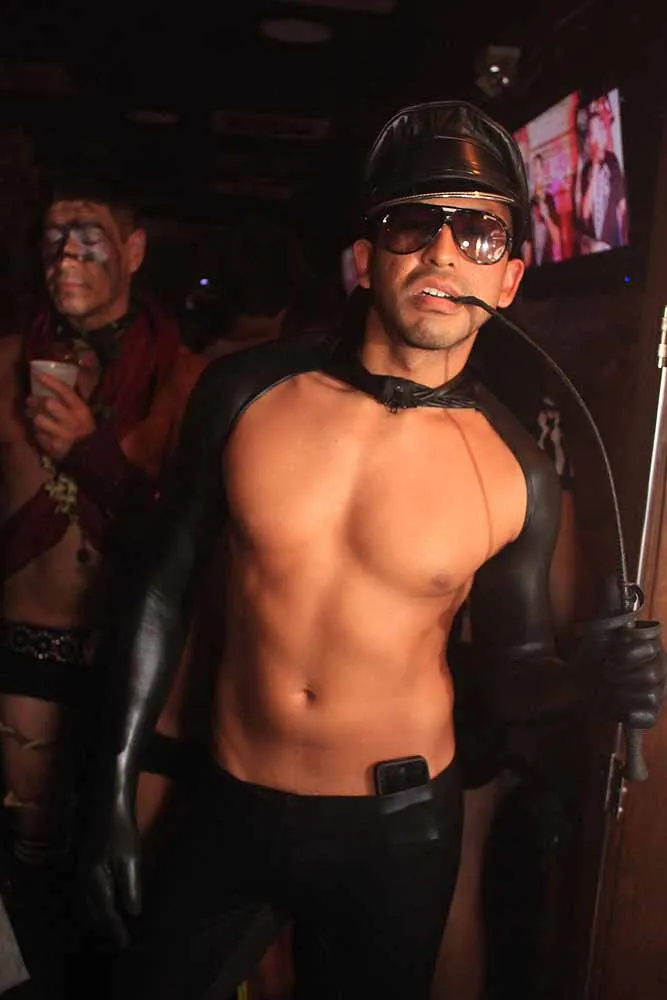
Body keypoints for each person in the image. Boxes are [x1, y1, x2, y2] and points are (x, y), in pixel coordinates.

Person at [83, 101, 666, 1000]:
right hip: (229, 801)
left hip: (395, 830)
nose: (442, 252)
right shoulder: (244, 394)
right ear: (367, 254)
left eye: (477, 233)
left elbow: (510, 672)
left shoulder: (515, 471)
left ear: (509, 278)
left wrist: (584, 682)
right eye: (412, 223)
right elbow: (162, 586)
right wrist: (109, 785)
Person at [0, 174, 205, 981]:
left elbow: (195, 540)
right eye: (52, 239)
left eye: (86, 238)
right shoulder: (7, 364)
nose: (64, 258)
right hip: (29, 653)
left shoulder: (185, 382)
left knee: (126, 890)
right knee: (33, 869)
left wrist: (91, 453)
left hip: (140, 665)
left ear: (134, 249)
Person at [573, 97, 627, 254]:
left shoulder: (612, 161)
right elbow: (584, 212)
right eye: (595, 132)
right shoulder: (586, 169)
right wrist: (595, 170)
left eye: (600, 129)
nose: (599, 135)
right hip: (593, 246)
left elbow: (622, 204)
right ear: (590, 139)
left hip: (612, 243)